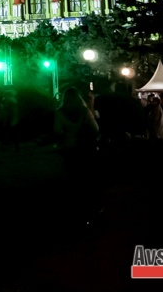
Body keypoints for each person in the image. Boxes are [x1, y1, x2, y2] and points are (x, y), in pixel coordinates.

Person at [54, 87, 100, 223]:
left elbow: (57, 131)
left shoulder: (59, 112)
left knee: (72, 180)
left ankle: (73, 211)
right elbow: (95, 129)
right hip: (85, 150)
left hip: (69, 150)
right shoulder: (84, 112)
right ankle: (91, 210)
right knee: (87, 180)